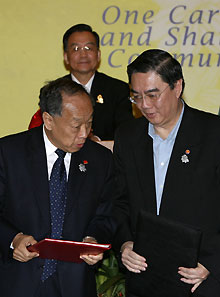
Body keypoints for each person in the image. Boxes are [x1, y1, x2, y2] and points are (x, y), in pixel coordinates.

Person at [113, 49, 220, 297]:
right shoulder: (128, 136)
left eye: (152, 95)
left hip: (202, 278)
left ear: (177, 86)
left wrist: (213, 262)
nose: (145, 106)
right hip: (145, 278)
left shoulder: (213, 134)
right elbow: (118, 201)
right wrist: (125, 243)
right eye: (136, 97)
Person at [0, 77, 115, 297]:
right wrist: (13, 239)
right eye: (76, 125)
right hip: (18, 281)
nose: (84, 133)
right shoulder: (8, 153)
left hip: (75, 283)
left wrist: (93, 238)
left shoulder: (100, 160)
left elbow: (107, 213)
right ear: (48, 120)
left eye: (89, 123)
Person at [29, 23, 133, 140]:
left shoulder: (117, 89)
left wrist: (96, 142)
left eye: (88, 48)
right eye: (76, 49)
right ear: (66, 57)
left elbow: (126, 132)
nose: (83, 54)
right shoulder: (53, 91)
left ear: (98, 55)